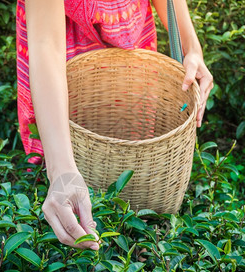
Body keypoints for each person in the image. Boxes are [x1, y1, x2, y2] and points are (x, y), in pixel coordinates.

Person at [16, 0, 213, 251]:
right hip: (67, 57)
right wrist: (61, 171)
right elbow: (47, 45)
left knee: (132, 163)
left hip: (131, 44)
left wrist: (191, 47)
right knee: (74, 182)